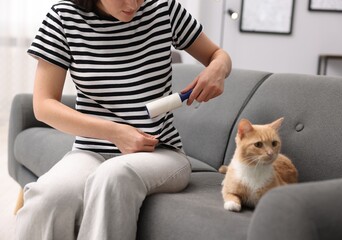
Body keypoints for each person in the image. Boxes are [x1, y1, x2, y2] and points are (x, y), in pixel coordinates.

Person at [16, 0, 231, 239]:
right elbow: (44, 106)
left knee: (114, 175)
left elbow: (217, 55)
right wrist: (115, 132)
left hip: (161, 153)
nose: (133, 4)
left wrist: (218, 68)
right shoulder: (63, 18)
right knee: (49, 196)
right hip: (90, 152)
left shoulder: (164, 9)